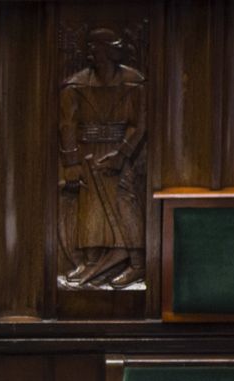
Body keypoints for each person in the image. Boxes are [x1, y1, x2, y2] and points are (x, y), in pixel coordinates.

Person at [59, 27, 145, 288]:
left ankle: (137, 264)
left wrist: (122, 154)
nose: (90, 54)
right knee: (89, 206)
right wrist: (71, 162)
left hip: (119, 152)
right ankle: (92, 261)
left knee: (125, 202)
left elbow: (140, 124)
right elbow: (67, 125)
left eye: (95, 48)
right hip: (88, 151)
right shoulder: (76, 85)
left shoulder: (133, 81)